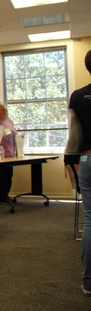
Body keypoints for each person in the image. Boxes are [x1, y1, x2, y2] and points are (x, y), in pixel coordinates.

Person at [66, 49, 91, 296]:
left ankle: (89, 281)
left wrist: (72, 161)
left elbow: (74, 135)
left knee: (90, 220)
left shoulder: (78, 95)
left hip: (87, 158)